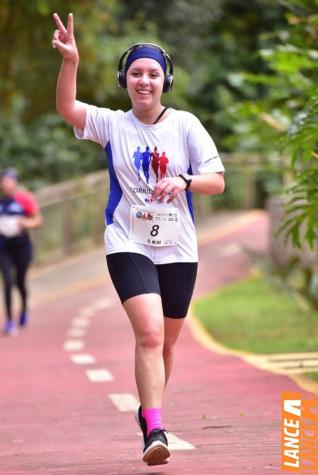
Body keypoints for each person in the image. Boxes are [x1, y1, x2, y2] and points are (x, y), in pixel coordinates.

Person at [52, 12, 225, 466]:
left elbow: (217, 181)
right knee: (148, 334)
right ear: (124, 80)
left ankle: (147, 410)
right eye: (136, 74)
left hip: (178, 246)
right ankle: (155, 427)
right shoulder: (112, 124)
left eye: (152, 74)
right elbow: (68, 109)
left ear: (165, 80)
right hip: (128, 240)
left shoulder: (186, 125)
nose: (144, 81)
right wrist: (70, 62)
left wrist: (186, 181)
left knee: (166, 344)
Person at [0, 168, 43, 336]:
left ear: (15, 182)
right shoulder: (1, 201)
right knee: (8, 282)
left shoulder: (25, 199)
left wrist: (26, 224)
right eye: (3, 181)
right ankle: (10, 321)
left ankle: (24, 308)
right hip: (4, 247)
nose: (5, 184)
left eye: (8, 180)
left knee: (19, 281)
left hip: (22, 247)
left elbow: (38, 220)